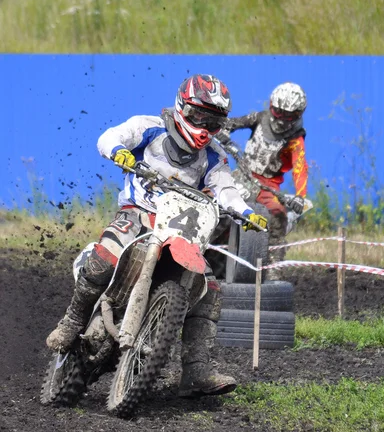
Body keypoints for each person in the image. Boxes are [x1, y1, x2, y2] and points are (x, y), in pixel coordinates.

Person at [46, 74, 268, 397]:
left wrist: (245, 211)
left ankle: (196, 369)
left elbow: (225, 189)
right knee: (105, 254)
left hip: (180, 231)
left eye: (214, 122)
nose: (205, 128)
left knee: (210, 287)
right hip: (137, 215)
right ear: (182, 108)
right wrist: (119, 151)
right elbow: (109, 136)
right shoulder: (149, 127)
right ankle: (71, 321)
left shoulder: (214, 157)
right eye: (199, 117)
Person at [218, 82, 308, 279]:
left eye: (289, 115)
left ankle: (273, 269)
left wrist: (300, 196)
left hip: (268, 186)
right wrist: (223, 129)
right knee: (218, 209)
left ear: (298, 114)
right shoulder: (260, 118)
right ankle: (201, 250)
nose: (283, 119)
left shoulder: (295, 139)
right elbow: (234, 122)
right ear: (271, 107)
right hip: (242, 175)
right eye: (279, 112)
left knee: (278, 218)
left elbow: (300, 168)